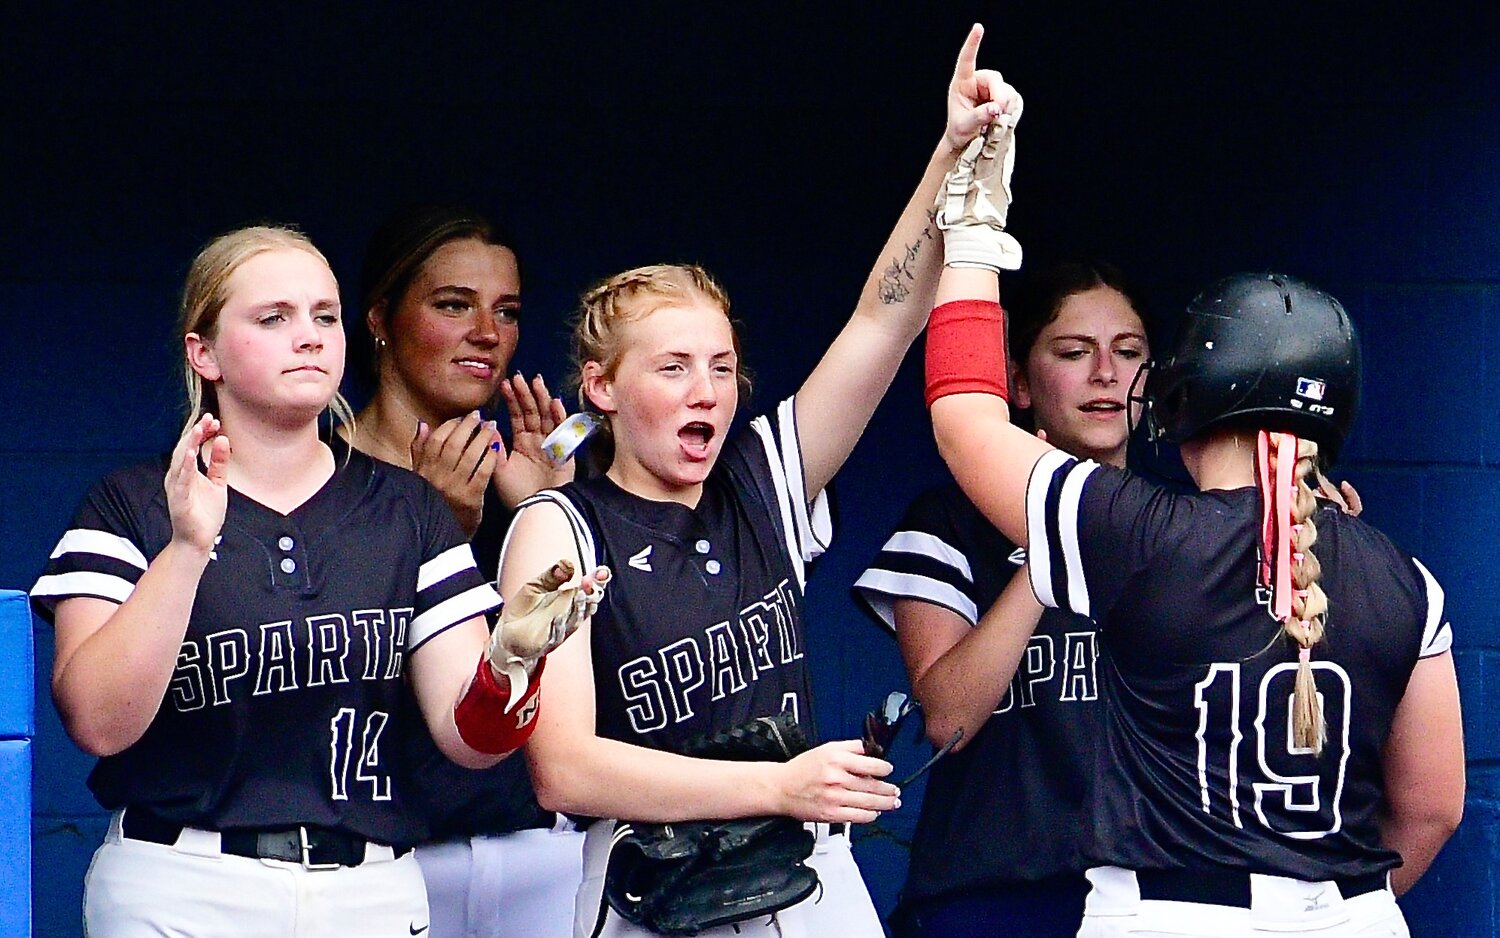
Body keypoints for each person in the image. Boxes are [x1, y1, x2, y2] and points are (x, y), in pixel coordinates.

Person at [495, 25, 1019, 938]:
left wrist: (950, 156)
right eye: (671, 369)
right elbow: (564, 769)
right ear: (602, 387)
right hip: (648, 877)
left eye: (721, 367)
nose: (706, 392)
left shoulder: (757, 478)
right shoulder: (561, 525)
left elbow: (879, 324)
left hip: (804, 865)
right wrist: (777, 783)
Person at [922, 96, 1465, 937]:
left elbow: (963, 420)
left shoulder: (1143, 536)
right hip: (1352, 917)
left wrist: (973, 236)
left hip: (1176, 915)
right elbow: (1433, 810)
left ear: (1185, 396)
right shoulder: (1408, 576)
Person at [30, 225, 590, 937]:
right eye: (274, 318)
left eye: (324, 316)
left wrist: (512, 665)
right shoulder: (131, 503)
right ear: (203, 352)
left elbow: (473, 742)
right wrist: (188, 546)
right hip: (179, 881)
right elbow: (97, 722)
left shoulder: (407, 507)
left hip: (369, 887)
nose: (310, 336)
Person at [854, 260, 1149, 937]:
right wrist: (1048, 544)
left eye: (1128, 353)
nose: (1106, 372)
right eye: (1074, 352)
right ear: (1018, 381)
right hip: (989, 892)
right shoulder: (950, 521)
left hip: (1147, 892)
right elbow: (948, 718)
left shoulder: (1182, 526)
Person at [344, 204, 584, 938]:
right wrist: (434, 531)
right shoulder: (314, 463)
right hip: (375, 865)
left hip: (536, 852)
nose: (488, 334)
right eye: (454, 305)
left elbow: (602, 673)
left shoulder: (526, 474)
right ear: (381, 317)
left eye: (506, 312)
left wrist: (559, 508)